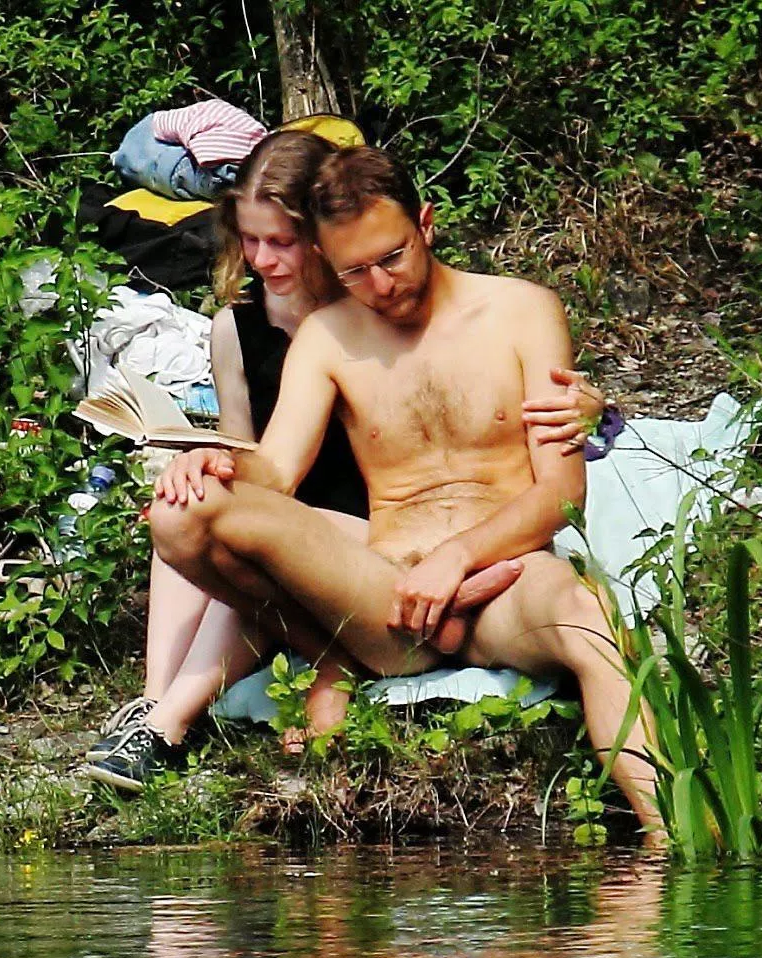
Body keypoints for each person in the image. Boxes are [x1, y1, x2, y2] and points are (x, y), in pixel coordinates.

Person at [147, 146, 661, 832]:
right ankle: (336, 657)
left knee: (588, 618)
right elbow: (275, 472)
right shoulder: (330, 336)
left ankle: (670, 845)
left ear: (426, 223)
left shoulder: (522, 311)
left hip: (503, 579)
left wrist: (458, 558)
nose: (380, 284)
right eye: (354, 271)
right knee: (183, 517)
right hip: (387, 595)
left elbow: (563, 492)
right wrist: (209, 466)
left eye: (391, 257)